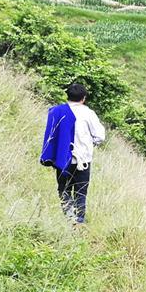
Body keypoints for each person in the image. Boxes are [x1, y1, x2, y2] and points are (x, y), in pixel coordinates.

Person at [40, 83, 105, 224]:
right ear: (83, 98)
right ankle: (79, 220)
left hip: (62, 159)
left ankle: (69, 218)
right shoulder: (88, 113)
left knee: (64, 190)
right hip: (83, 160)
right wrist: (89, 144)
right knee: (81, 191)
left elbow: (51, 135)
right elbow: (100, 136)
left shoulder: (57, 111)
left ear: (67, 96)